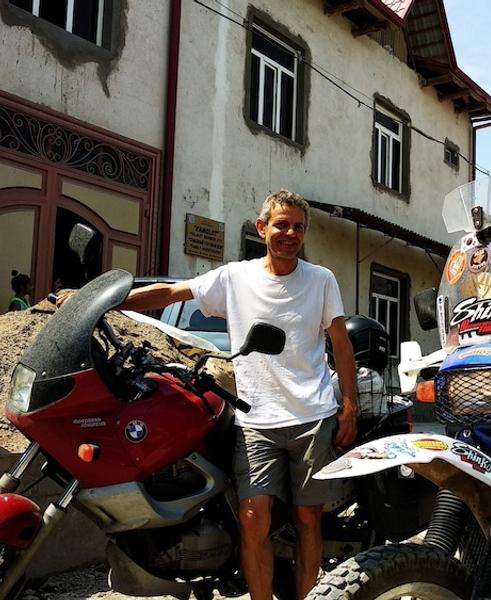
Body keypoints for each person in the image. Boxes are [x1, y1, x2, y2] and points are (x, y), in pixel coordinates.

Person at [63, 189, 358, 600]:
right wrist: (93, 305)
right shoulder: (236, 277)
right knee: (253, 518)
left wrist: (349, 407)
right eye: (281, 224)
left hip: (313, 415)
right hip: (256, 420)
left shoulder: (321, 279)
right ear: (262, 228)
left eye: (298, 227)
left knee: (309, 519)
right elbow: (171, 293)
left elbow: (340, 344)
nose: (290, 233)